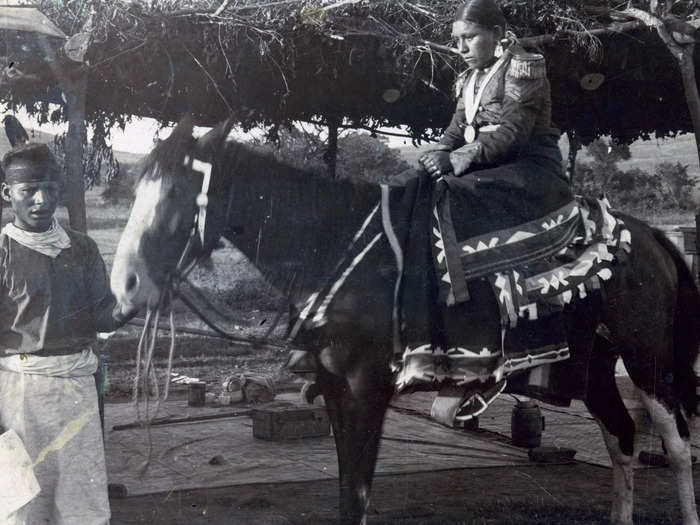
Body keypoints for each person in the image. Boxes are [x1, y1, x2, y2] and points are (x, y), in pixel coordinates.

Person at [0, 141, 135, 524]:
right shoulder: (3, 252)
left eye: (49, 188)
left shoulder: (81, 248)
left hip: (76, 390)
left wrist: (130, 305)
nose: (41, 200)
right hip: (19, 393)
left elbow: (101, 317)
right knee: (20, 505)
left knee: (81, 504)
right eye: (28, 191)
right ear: (7, 193)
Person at [419, 0, 572, 240]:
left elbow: (512, 133)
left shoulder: (522, 68)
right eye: (456, 40)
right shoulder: (471, 77)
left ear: (497, 33)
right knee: (415, 183)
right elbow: (458, 125)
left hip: (528, 168)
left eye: (470, 37)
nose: (461, 48)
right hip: (488, 166)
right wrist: (439, 152)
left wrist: (454, 158)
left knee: (451, 193)